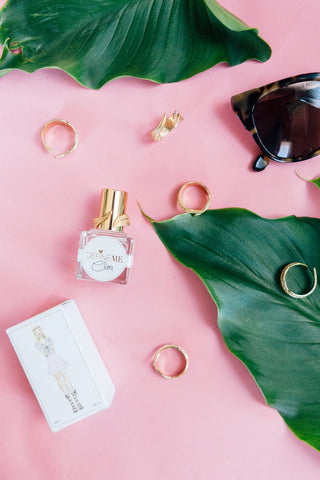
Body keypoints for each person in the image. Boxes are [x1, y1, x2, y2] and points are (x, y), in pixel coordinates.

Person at [33, 325, 83, 413]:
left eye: (39, 329)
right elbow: (45, 353)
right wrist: (46, 349)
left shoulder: (48, 339)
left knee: (65, 378)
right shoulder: (38, 344)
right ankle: (72, 403)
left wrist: (49, 349)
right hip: (50, 361)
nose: (39, 332)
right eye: (37, 331)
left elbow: (52, 350)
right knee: (59, 380)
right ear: (35, 334)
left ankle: (76, 401)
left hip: (55, 358)